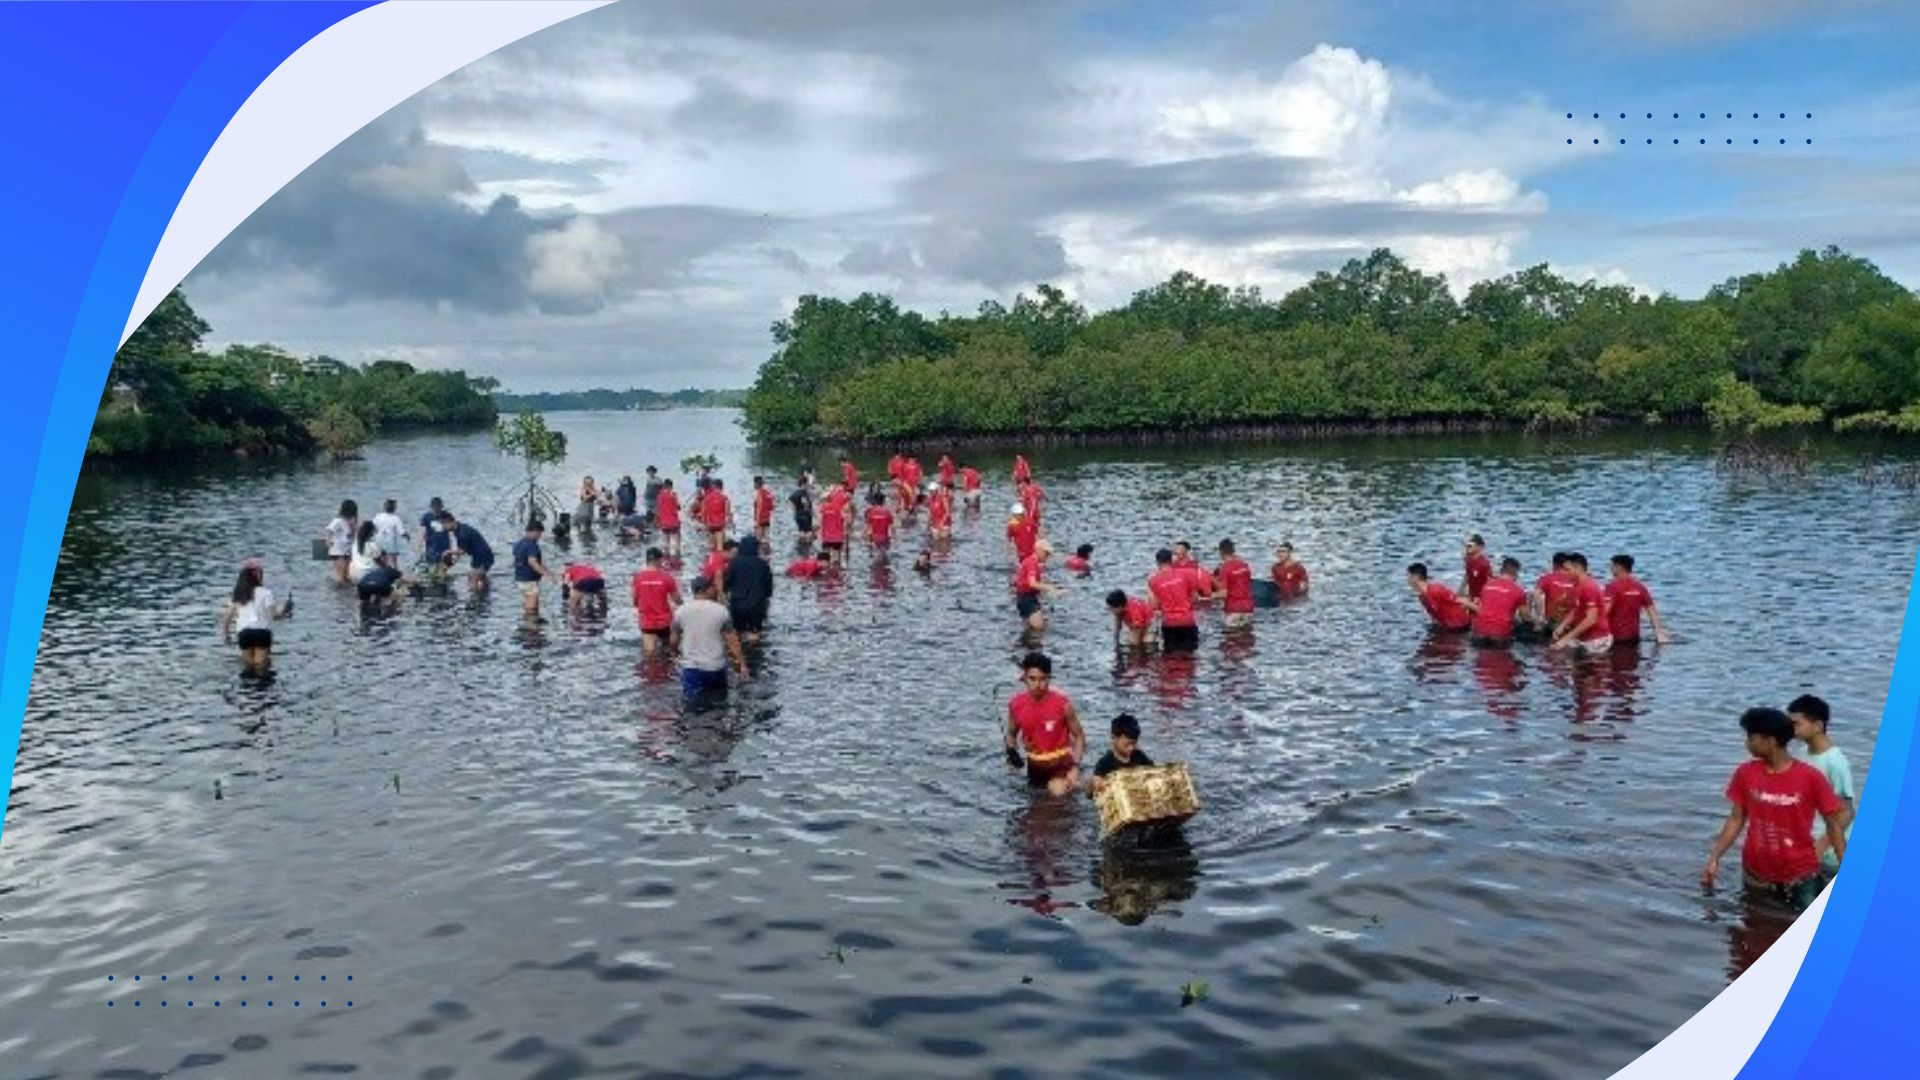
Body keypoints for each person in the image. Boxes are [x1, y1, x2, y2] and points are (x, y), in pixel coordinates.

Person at [1703, 707, 1847, 912]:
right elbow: (1736, 819)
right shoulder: (1745, 773)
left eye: (1752, 738)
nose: (1747, 744)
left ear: (1770, 741)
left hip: (1800, 875)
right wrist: (1715, 858)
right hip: (1755, 874)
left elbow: (1833, 824)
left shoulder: (1810, 778)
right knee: (1755, 929)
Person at [1789, 695, 1855, 880]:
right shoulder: (1802, 754)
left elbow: (1847, 812)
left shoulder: (1835, 762)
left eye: (1797, 723)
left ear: (1817, 725)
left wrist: (1821, 846)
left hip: (1829, 852)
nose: (1791, 729)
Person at [1004, 651, 1086, 797]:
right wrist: (1011, 751)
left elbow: (1079, 736)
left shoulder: (1063, 704)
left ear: (1049, 678)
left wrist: (1076, 767)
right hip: (1034, 768)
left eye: (1043, 679)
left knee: (1057, 795)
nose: (1037, 685)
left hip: (1060, 766)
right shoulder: (1016, 705)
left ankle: (1078, 784)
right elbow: (1011, 733)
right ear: (1024, 678)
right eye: (1032, 679)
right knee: (1035, 813)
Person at [672, 575, 750, 697]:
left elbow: (674, 640)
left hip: (691, 669)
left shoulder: (680, 612)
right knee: (719, 704)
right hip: (715, 668)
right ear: (705, 590)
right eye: (712, 587)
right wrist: (742, 664)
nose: (715, 589)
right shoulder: (721, 611)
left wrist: (675, 654)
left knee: (692, 708)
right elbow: (732, 641)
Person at [219, 558, 291, 674]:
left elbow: (227, 617)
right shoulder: (265, 593)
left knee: (248, 666)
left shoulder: (238, 594)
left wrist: (225, 634)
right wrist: (284, 612)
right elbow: (273, 615)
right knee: (261, 667)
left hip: (244, 633)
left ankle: (247, 690)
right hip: (262, 632)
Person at [1549, 553, 1612, 654]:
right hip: (1583, 636)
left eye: (1567, 570)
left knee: (1586, 666)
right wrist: (1562, 626)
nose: (1564, 574)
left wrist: (1566, 639)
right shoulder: (1577, 585)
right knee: (1555, 650)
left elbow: (1591, 619)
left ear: (1578, 568)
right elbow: (1576, 609)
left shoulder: (1589, 587)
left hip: (1597, 639)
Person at [1605, 554, 1673, 645]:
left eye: (1612, 566)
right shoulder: (1640, 587)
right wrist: (1658, 632)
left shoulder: (1612, 587)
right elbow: (1652, 611)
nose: (1610, 568)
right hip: (1634, 637)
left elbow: (1605, 611)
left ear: (1618, 567)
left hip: (1615, 637)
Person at [723, 534, 774, 644]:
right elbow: (768, 587)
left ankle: (740, 654)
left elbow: (726, 582)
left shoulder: (734, 563)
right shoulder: (763, 564)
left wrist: (726, 595)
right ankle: (754, 652)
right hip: (757, 605)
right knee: (755, 633)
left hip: (737, 604)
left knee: (738, 632)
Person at [631, 547, 682, 656]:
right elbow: (677, 600)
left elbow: (634, 601)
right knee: (668, 652)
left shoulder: (637, 578)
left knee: (649, 654)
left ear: (647, 560)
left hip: (647, 621)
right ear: (660, 560)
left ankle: (650, 671)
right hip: (664, 621)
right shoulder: (667, 577)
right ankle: (667, 671)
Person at [1148, 548, 1201, 652]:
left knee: (1170, 657)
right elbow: (1195, 598)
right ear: (1171, 560)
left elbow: (1154, 605)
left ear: (1157, 562)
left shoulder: (1153, 581)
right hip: (1187, 621)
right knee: (1190, 656)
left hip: (1169, 623)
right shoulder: (1188, 574)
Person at [1088, 713, 1155, 795]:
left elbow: (1153, 770)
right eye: (1127, 745)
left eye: (1134, 744)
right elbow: (1090, 793)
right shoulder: (1104, 763)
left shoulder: (1139, 756)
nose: (1131, 748)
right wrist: (1095, 784)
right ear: (1113, 738)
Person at [1470, 557, 1530, 646]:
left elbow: (1481, 608)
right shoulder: (1518, 591)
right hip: (1500, 635)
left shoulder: (1486, 586)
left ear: (1501, 570)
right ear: (1516, 573)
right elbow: (1525, 617)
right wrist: (1535, 622)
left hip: (1479, 633)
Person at [1013, 539, 1062, 632]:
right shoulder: (1032, 563)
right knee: (1039, 629)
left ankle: (1025, 645)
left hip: (1025, 598)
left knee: (1031, 628)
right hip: (1027, 599)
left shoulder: (1031, 563)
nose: (1048, 557)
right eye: (1046, 553)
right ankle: (1032, 645)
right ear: (1038, 550)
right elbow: (1032, 583)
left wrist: (1053, 587)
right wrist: (1049, 588)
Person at [1408, 562, 1471, 632]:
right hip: (1446, 627)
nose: (1408, 580)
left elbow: (1460, 600)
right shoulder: (1422, 597)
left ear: (1415, 578)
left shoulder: (1436, 590)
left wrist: (1481, 613)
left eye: (1409, 576)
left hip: (1460, 626)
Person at [440, 511, 493, 591]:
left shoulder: (462, 533)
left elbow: (461, 551)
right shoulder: (458, 529)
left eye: (444, 524)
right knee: (479, 578)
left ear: (449, 522)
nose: (443, 527)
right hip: (477, 557)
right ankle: (485, 592)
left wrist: (448, 552)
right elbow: (461, 549)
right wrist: (451, 563)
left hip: (484, 557)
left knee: (472, 580)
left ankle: (476, 600)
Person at [512, 519, 555, 615]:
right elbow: (533, 562)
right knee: (532, 604)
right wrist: (546, 575)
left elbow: (521, 560)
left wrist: (548, 571)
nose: (540, 536)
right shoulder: (532, 545)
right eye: (539, 533)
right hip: (529, 579)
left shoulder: (518, 544)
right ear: (534, 531)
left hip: (519, 578)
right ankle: (531, 625)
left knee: (527, 599)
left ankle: (527, 621)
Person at [1533, 552, 1577, 631]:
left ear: (1554, 565)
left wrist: (1540, 615)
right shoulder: (1575, 580)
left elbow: (1536, 594)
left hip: (1552, 622)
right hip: (1571, 622)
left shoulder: (1547, 578)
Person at [1216, 539, 1255, 628]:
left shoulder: (1225, 568)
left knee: (1231, 639)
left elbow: (1224, 594)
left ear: (1221, 552)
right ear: (1233, 550)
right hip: (1248, 608)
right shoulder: (1245, 565)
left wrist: (1205, 597)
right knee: (1247, 638)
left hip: (1234, 609)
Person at [819, 481, 853, 566]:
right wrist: (847, 530)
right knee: (837, 559)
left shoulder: (823, 508)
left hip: (826, 537)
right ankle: (836, 574)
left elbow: (819, 521)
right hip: (837, 537)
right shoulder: (839, 508)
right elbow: (848, 520)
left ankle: (827, 575)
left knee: (826, 560)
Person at [325, 499, 359, 584]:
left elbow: (351, 535)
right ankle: (340, 592)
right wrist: (328, 541)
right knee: (341, 572)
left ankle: (344, 590)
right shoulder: (337, 521)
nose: (350, 516)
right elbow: (329, 530)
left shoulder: (351, 521)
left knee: (347, 573)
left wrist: (353, 526)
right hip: (337, 550)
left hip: (347, 550)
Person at [701, 479, 732, 551]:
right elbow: (728, 513)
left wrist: (704, 524)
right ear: (722, 487)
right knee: (720, 548)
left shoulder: (706, 498)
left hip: (710, 525)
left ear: (713, 486)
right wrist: (730, 523)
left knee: (711, 548)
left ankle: (711, 560)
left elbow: (703, 512)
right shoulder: (725, 498)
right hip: (720, 525)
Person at [656, 479, 683, 558]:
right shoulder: (673, 495)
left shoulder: (659, 496)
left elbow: (658, 509)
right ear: (671, 486)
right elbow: (677, 507)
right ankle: (677, 557)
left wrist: (658, 521)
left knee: (666, 544)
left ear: (664, 486)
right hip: (674, 522)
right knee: (677, 543)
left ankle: (666, 558)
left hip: (664, 522)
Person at [418, 497, 449, 564]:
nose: (437, 510)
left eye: (439, 507)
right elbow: (422, 532)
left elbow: (453, 530)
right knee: (432, 568)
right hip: (431, 549)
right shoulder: (426, 517)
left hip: (445, 549)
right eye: (435, 508)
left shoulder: (447, 516)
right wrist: (420, 546)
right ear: (432, 507)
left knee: (443, 569)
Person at [1462, 534, 1492, 601]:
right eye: (1466, 546)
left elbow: (1489, 583)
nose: (1466, 549)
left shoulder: (1484, 564)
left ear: (1479, 547)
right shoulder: (1468, 561)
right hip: (1472, 596)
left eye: (1469, 546)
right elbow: (1467, 577)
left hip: (1482, 598)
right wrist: (1459, 593)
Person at [790, 472, 816, 542]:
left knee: (801, 531)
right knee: (808, 533)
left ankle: (801, 548)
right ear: (804, 484)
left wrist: (794, 514)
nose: (808, 484)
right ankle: (807, 548)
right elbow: (807, 504)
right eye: (807, 483)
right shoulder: (806, 493)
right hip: (806, 515)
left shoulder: (794, 493)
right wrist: (813, 514)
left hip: (798, 515)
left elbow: (792, 504)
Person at [751, 475, 775, 543]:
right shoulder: (768, 493)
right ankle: (767, 552)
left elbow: (759, 507)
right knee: (766, 539)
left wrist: (757, 522)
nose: (754, 485)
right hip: (767, 518)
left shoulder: (758, 493)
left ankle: (761, 552)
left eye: (754, 483)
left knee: (759, 540)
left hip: (760, 519)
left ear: (757, 484)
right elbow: (772, 507)